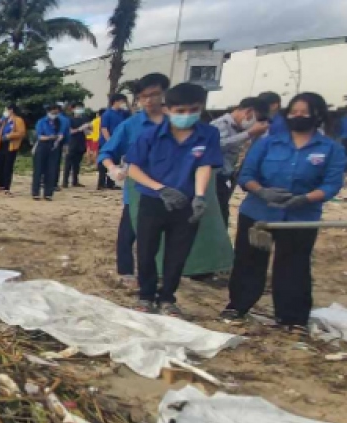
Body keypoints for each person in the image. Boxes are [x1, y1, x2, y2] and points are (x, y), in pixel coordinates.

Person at [224, 92, 345, 328]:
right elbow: (247, 174)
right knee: (249, 261)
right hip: (259, 214)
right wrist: (261, 191)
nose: (298, 116)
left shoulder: (330, 149)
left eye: (304, 113)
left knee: (293, 265)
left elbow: (332, 184)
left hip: (300, 217)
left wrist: (306, 198)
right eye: (293, 112)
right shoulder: (268, 142)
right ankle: (238, 306)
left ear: (317, 115)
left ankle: (292, 318)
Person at [125, 82, 222, 317]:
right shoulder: (149, 136)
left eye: (193, 110)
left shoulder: (208, 134)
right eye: (180, 111)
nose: (186, 116)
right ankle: (146, 296)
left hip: (186, 203)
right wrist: (160, 189)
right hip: (153, 200)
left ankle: (167, 297)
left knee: (178, 253)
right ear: (167, 109)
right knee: (147, 250)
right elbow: (133, 169)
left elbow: (204, 166)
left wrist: (199, 196)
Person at [99, 73, 171, 285]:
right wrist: (113, 168)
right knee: (129, 231)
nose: (148, 100)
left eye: (154, 94)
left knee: (162, 236)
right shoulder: (130, 125)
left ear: (164, 94)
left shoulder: (176, 124)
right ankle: (127, 271)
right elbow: (106, 152)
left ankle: (160, 272)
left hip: (169, 189)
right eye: (143, 96)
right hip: (138, 191)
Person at [211, 97, 268, 224]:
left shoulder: (237, 129)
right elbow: (216, 146)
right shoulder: (220, 124)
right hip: (214, 178)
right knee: (218, 220)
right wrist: (249, 133)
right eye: (255, 118)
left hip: (225, 179)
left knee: (222, 218)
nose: (255, 123)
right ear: (249, 112)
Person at [32, 103, 64, 201]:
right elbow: (39, 136)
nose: (55, 114)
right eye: (53, 112)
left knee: (51, 170)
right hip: (42, 146)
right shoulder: (41, 122)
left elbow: (61, 133)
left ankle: (48, 193)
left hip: (53, 146)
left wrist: (59, 138)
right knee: (38, 170)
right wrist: (50, 137)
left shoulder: (58, 122)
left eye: (56, 112)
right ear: (48, 112)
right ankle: (35, 192)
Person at [98, 95, 130, 189]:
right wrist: (110, 141)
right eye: (121, 101)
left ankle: (110, 183)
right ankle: (101, 183)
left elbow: (133, 112)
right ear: (115, 102)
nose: (122, 104)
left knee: (115, 162)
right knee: (105, 162)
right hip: (108, 142)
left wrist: (128, 103)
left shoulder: (122, 113)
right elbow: (104, 128)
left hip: (119, 142)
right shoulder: (107, 114)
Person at [0, 103, 25, 195]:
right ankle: (0, 185)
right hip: (1, 144)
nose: (5, 111)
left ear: (11, 110)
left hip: (11, 145)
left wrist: (9, 136)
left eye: (7, 109)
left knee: (8, 166)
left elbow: (21, 133)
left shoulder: (18, 120)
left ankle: (7, 187)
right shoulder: (4, 120)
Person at [62, 102, 91, 188]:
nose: (79, 110)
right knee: (68, 163)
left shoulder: (85, 118)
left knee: (77, 164)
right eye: (77, 108)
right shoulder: (69, 119)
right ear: (73, 109)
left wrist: (88, 129)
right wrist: (79, 129)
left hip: (81, 143)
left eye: (81, 108)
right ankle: (65, 182)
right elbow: (70, 131)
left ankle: (75, 181)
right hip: (71, 143)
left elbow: (89, 132)